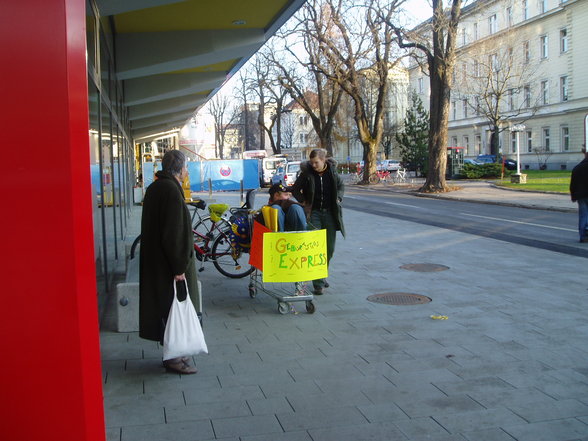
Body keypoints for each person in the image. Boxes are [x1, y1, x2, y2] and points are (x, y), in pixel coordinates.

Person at [139, 150, 200, 374]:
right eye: (186, 167)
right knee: (174, 308)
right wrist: (179, 267)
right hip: (168, 265)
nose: (187, 171)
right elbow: (173, 233)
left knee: (168, 308)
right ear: (180, 169)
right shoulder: (171, 191)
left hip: (157, 261)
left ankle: (175, 354)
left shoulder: (156, 187)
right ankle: (174, 357)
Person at [291, 148, 345, 295]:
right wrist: (303, 201)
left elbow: (341, 186)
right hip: (313, 214)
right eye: (312, 162)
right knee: (316, 249)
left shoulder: (332, 172)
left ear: (323, 160)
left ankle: (321, 273)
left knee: (329, 248)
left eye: (316, 162)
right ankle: (318, 284)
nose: (314, 165)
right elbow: (295, 189)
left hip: (330, 214)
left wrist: (338, 198)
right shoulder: (307, 174)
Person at [570, 147, 588, 243]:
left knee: (583, 215)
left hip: (581, 196)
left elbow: (573, 183)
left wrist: (573, 195)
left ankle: (583, 236)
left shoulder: (578, 167)